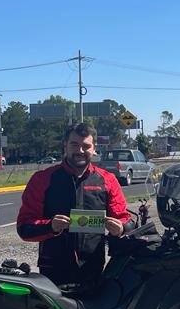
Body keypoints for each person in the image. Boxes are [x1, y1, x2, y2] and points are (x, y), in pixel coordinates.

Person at [17, 123, 133, 289]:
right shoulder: (42, 179)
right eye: (74, 145)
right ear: (65, 145)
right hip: (52, 272)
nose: (80, 151)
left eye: (86, 146)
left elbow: (126, 221)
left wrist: (120, 229)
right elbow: (24, 228)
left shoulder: (107, 180)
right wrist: (50, 226)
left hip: (92, 271)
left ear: (94, 148)